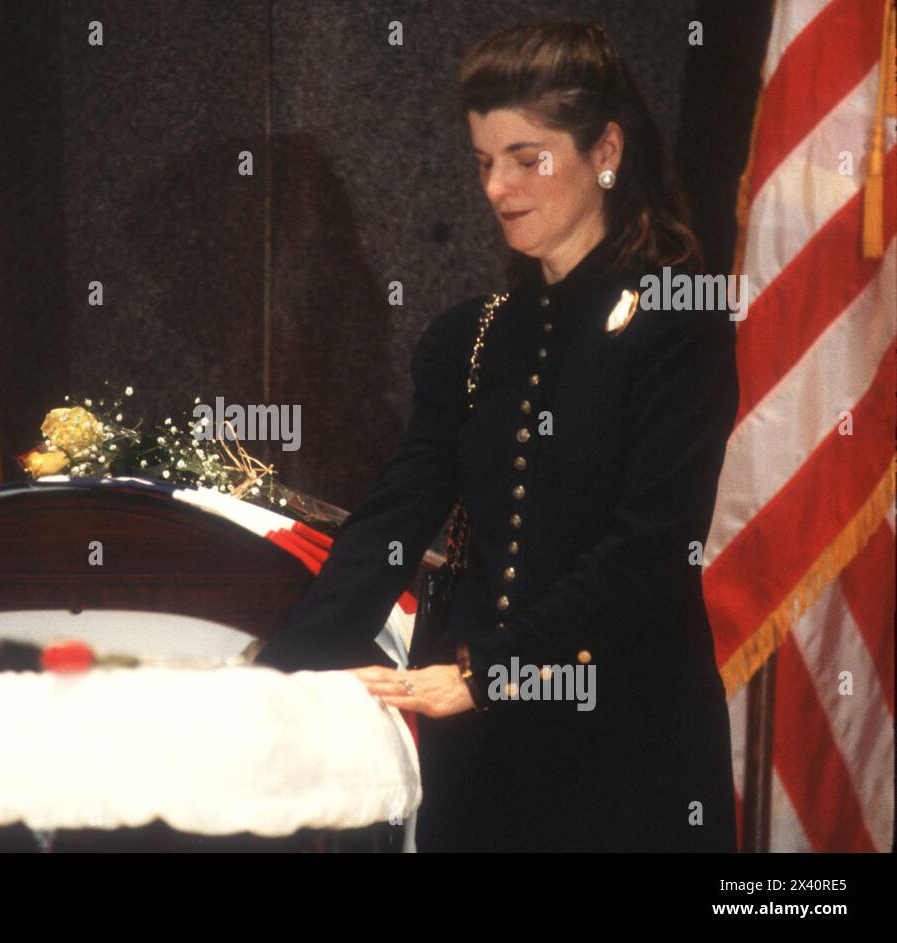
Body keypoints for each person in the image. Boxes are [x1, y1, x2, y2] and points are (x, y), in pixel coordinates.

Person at [253, 22, 740, 852]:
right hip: (478, 753)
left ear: (606, 150)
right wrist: (279, 677)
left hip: (625, 741)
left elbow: (649, 551)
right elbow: (393, 519)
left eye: (527, 157)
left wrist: (490, 674)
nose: (498, 187)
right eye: (484, 162)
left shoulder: (678, 321)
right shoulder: (469, 339)